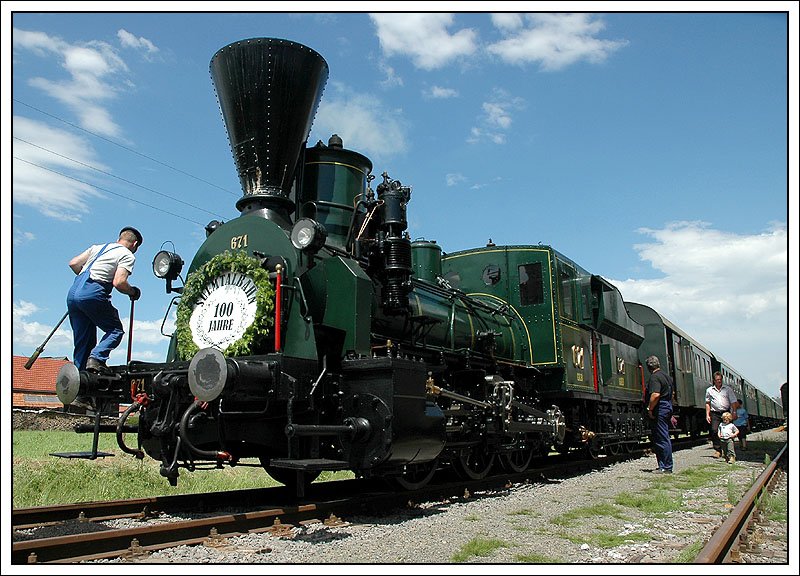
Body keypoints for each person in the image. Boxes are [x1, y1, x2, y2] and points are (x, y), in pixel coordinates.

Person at [67, 227, 142, 385]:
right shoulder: (127, 255)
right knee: (115, 330)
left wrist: (85, 283)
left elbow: (73, 263)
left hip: (73, 293)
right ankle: (96, 358)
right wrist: (132, 291)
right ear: (134, 244)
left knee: (83, 341)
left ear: (118, 239)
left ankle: (80, 385)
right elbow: (119, 282)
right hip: (92, 293)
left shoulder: (98, 248)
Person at [645, 355, 674, 473]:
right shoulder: (667, 377)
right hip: (667, 405)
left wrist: (650, 409)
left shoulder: (654, 378)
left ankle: (666, 466)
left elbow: (655, 395)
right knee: (664, 437)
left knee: (661, 437)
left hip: (660, 407)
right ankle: (665, 465)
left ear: (648, 367)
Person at [705, 372, 739, 458]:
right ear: (714, 381)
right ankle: (718, 450)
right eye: (717, 380)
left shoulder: (728, 389)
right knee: (714, 430)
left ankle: (729, 450)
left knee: (727, 431)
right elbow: (708, 403)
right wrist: (707, 414)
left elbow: (733, 401)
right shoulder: (709, 390)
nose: (719, 381)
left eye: (720, 380)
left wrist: (734, 412)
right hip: (715, 413)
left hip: (726, 413)